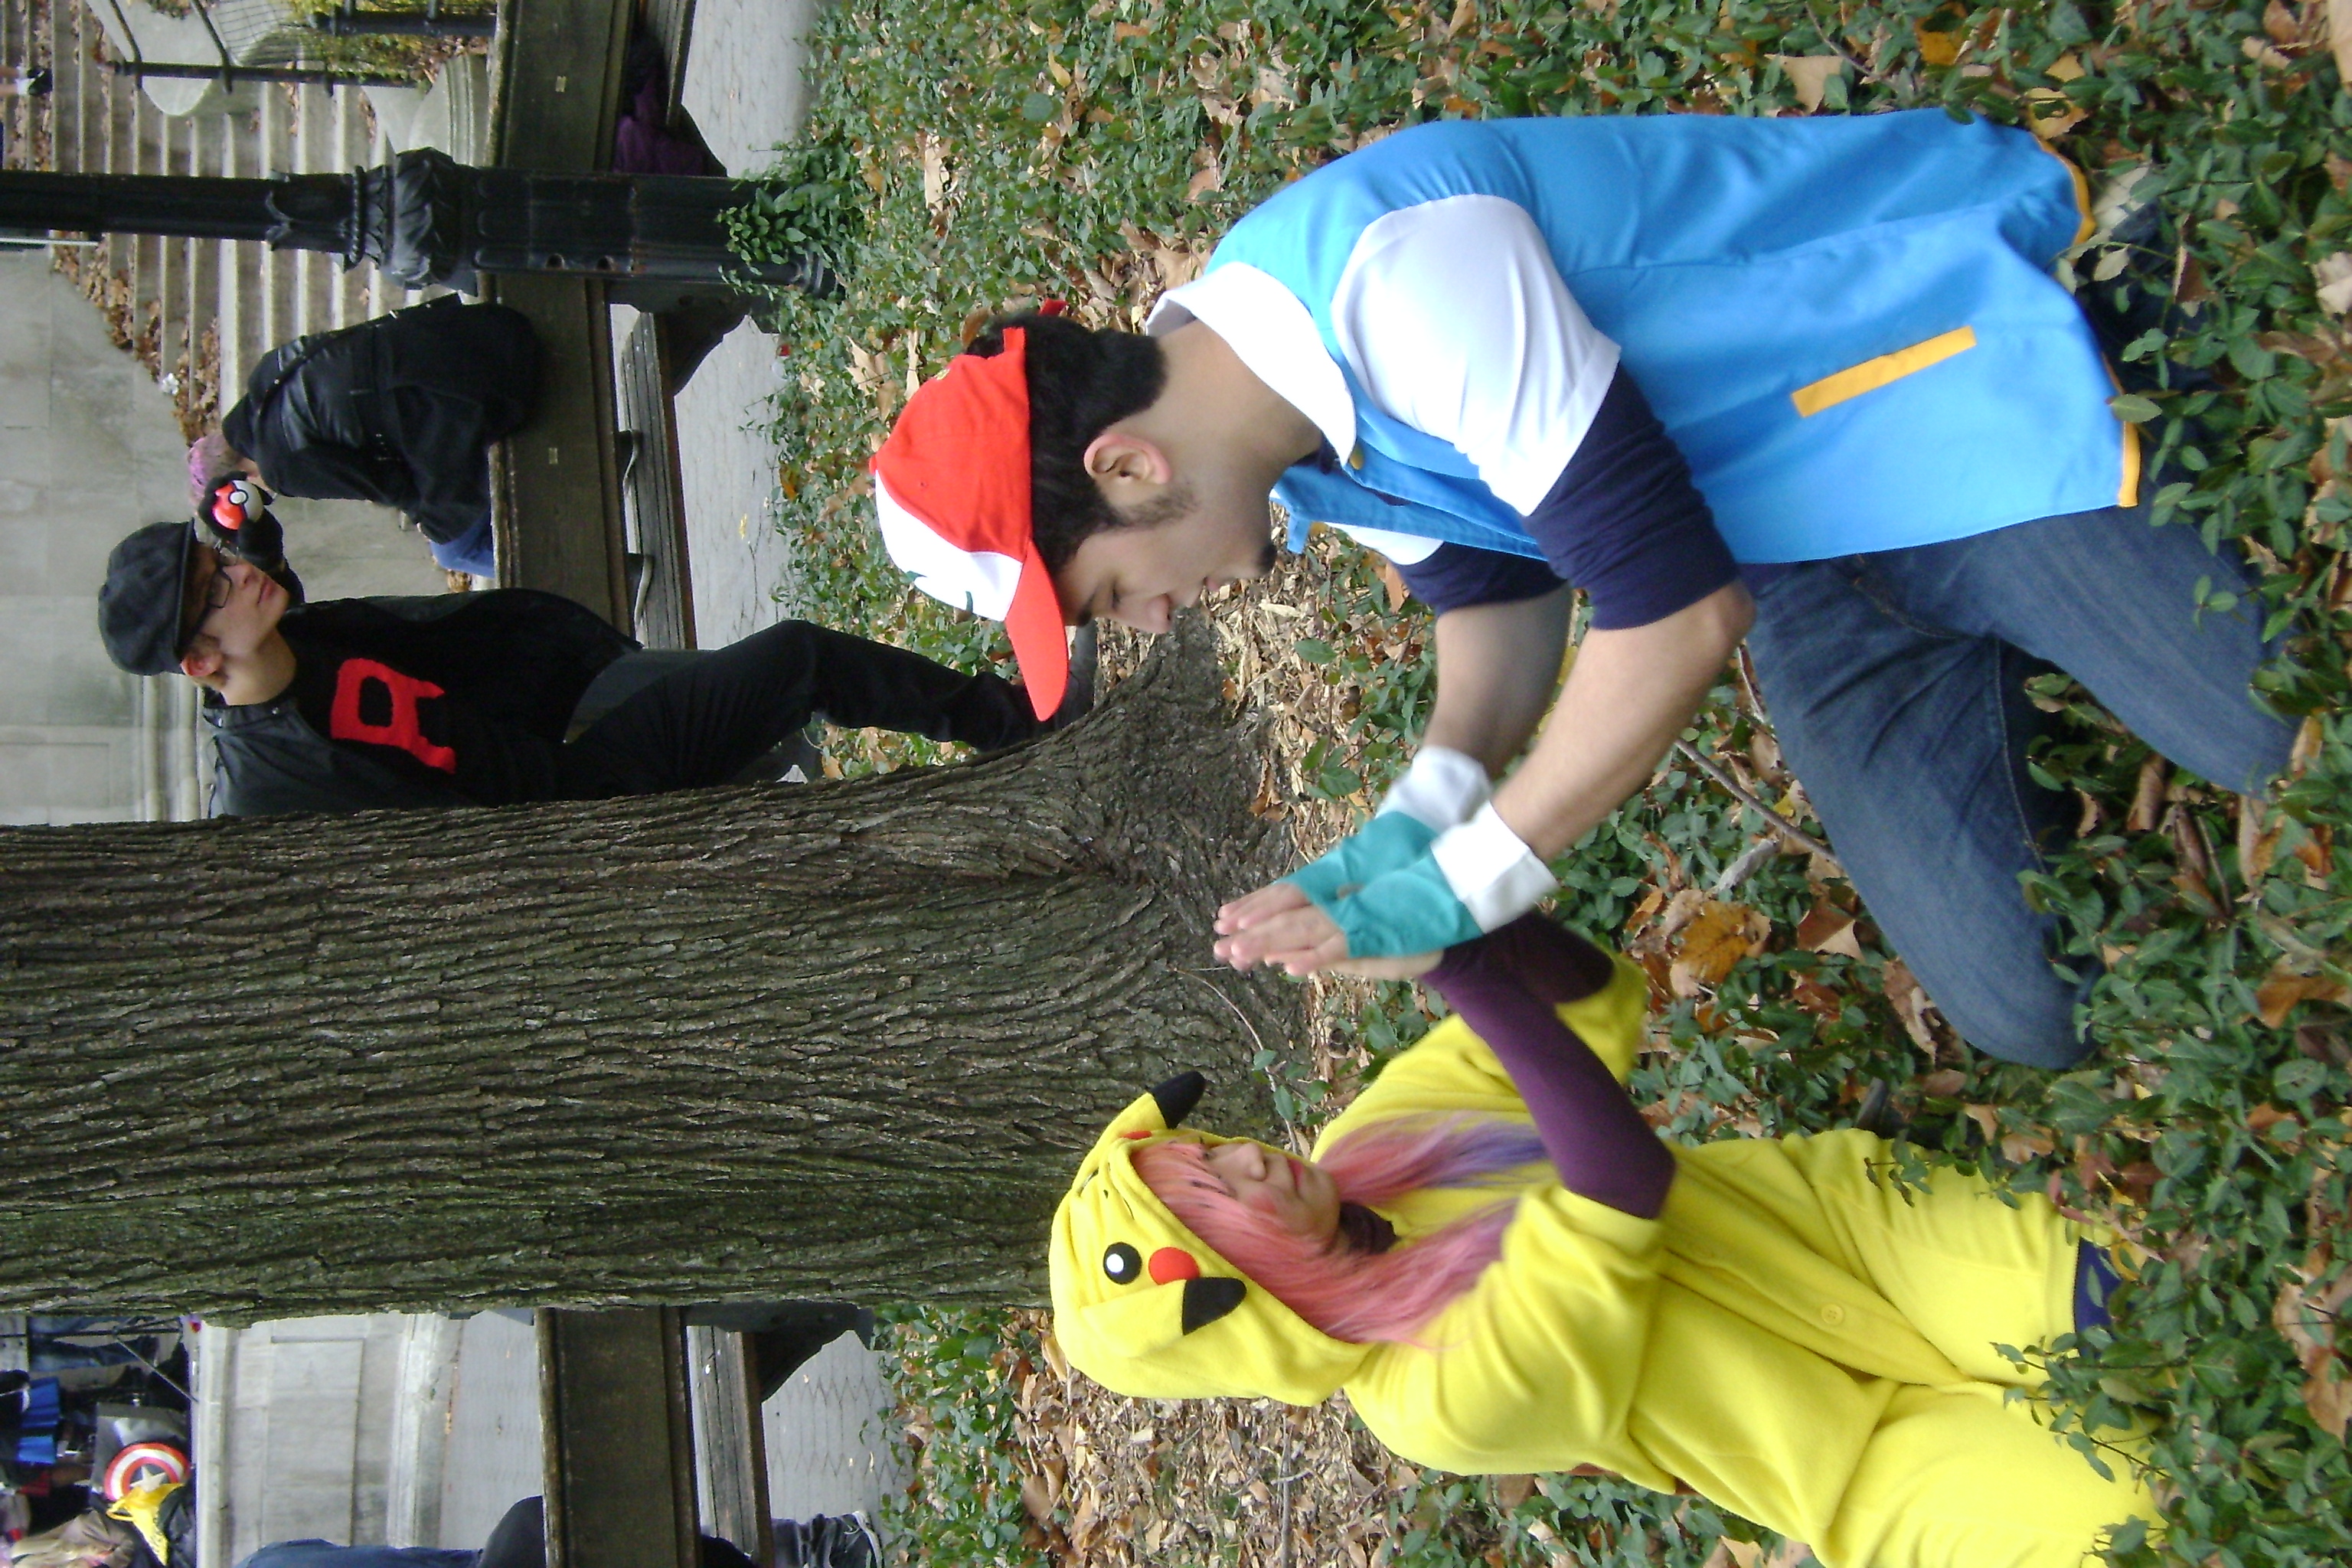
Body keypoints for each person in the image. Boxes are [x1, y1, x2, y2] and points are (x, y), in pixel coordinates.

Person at [865, 109, 2295, 1069]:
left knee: (2272, 730)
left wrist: (1469, 885)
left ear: (1126, 469)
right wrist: (1421, 814)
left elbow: (1672, 619)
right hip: (1780, 545)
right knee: (2021, 1006)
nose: (1147, 623)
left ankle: (2134, 315)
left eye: (1106, 597)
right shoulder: (1270, 427)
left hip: (1933, 375)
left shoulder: (1390, 283)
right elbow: (1492, 596)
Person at [1049, 912, 2157, 1568]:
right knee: (2145, 1511)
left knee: (2134, 1306)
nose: (1253, 1158)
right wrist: (1456, 970)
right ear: (1239, 1290)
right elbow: (1617, 1194)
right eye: (1224, 1199)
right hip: (1858, 1464)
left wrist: (1470, 917)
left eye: (1217, 1151)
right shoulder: (1429, 1401)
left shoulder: (1368, 1148)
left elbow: (1587, 1007)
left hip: (1861, 1240)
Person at [95, 495, 1080, 818]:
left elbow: (271, 573)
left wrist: (249, 532)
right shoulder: (271, 789)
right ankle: (1011, 752)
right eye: (215, 592)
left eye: (219, 561)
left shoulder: (285, 633)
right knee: (788, 687)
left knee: (795, 658)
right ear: (199, 664)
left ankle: (1015, 722)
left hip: (568, 752)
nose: (238, 577)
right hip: (572, 826)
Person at [190, 298, 542, 580]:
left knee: (452, 551)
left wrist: (425, 521)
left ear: (242, 484)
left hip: (486, 396)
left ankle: (554, 565)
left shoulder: (281, 466)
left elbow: (392, 486)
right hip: (487, 334)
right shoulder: (269, 371)